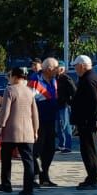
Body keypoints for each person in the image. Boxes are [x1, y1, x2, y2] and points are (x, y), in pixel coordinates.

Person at [0, 67, 39, 195]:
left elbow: (5, 111)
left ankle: (6, 184)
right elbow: (34, 112)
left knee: (6, 158)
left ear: (14, 76)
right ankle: (28, 188)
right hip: (28, 130)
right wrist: (36, 129)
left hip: (11, 131)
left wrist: (0, 126)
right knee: (28, 160)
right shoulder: (30, 91)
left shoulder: (10, 90)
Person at [30, 57, 72, 187]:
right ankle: (34, 176)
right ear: (48, 69)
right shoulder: (34, 80)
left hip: (51, 119)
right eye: (55, 68)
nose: (57, 70)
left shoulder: (54, 79)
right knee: (36, 149)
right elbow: (30, 101)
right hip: (39, 120)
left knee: (50, 149)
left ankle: (45, 175)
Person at [70, 55, 97, 188]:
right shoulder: (90, 77)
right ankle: (92, 177)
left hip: (87, 122)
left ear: (82, 65)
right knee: (89, 149)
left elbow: (94, 103)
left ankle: (92, 178)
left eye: (76, 66)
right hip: (87, 121)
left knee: (89, 150)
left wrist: (96, 119)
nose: (75, 69)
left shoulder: (88, 80)